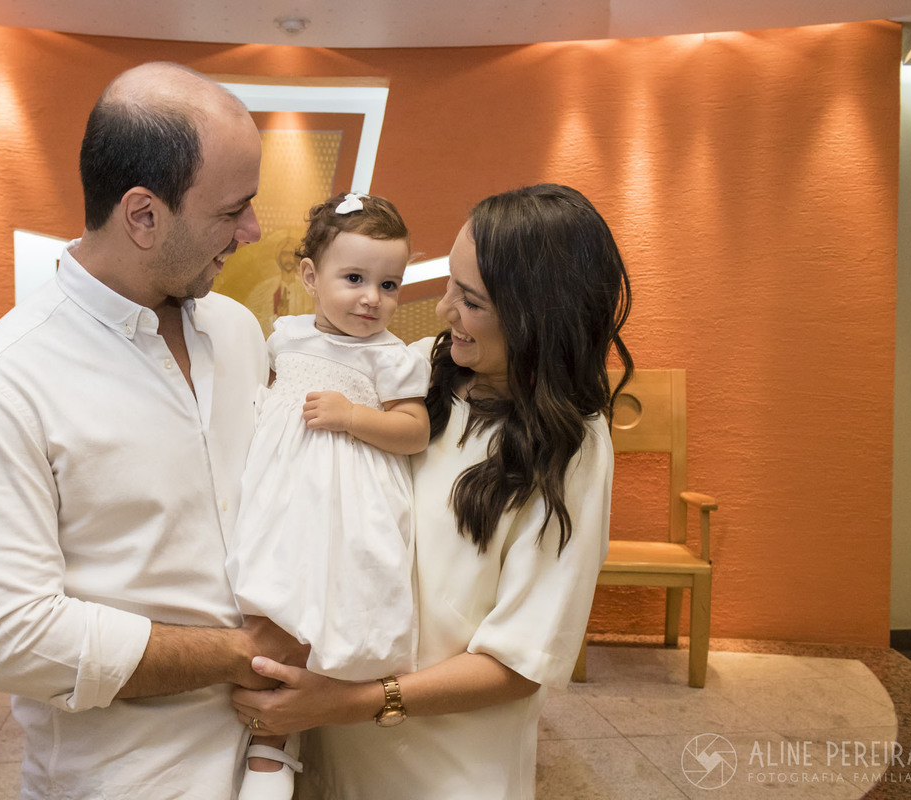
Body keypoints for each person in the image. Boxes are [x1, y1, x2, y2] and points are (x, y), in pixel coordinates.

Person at [0, 62, 306, 800]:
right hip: (130, 778)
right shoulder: (1, 379)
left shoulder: (238, 331)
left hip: (283, 756)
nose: (253, 230)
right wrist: (243, 653)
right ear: (143, 215)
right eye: (233, 210)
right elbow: (11, 639)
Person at [231, 183, 634, 800]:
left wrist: (351, 702)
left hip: (442, 769)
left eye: (470, 300)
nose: (444, 309)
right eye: (450, 285)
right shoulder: (418, 369)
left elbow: (519, 661)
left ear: (535, 315)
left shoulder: (571, 447)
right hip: (324, 743)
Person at [225, 192, 430, 799]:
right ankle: (264, 727)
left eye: (389, 285)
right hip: (281, 493)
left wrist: (353, 417)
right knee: (270, 596)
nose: (372, 298)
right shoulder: (286, 336)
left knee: (328, 603)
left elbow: (414, 430)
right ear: (312, 277)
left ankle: (280, 740)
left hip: (347, 503)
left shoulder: (390, 357)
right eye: (355, 279)